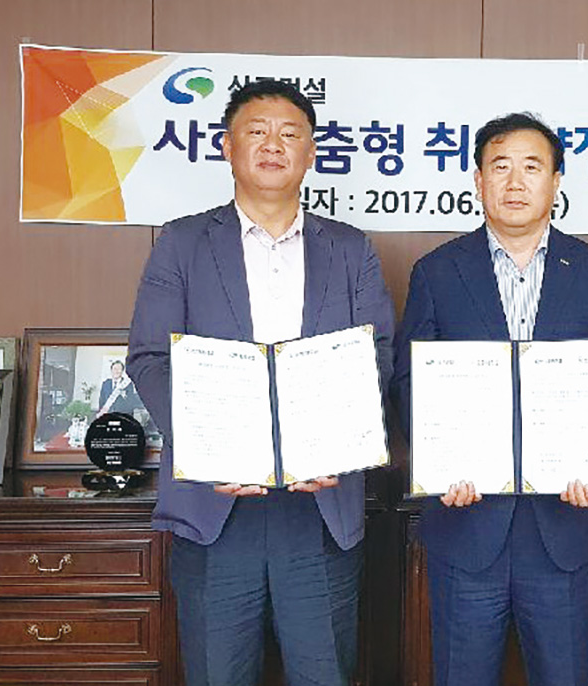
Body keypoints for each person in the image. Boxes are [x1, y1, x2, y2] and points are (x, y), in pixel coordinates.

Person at [127, 80, 394, 686]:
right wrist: (210, 449)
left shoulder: (350, 249)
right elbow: (150, 358)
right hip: (216, 507)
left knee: (324, 673)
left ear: (311, 152)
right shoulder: (181, 243)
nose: (273, 145)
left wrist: (334, 444)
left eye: (290, 134)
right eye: (257, 131)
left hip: (319, 506)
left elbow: (375, 354)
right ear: (227, 145)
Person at [391, 112, 588, 686]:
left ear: (556, 182)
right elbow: (410, 380)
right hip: (466, 522)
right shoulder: (438, 271)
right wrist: (440, 465)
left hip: (563, 523)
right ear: (478, 180)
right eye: (500, 166)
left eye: (532, 167)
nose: (515, 182)